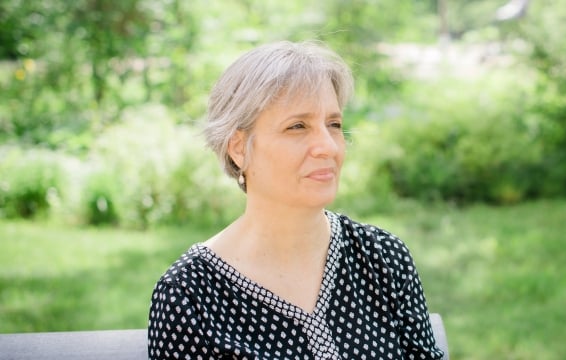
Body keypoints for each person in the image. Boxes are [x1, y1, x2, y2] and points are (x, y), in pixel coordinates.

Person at [147, 41, 444, 360]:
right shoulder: (189, 294)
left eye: (334, 124)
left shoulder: (384, 259)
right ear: (238, 147)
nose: (327, 146)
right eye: (297, 126)